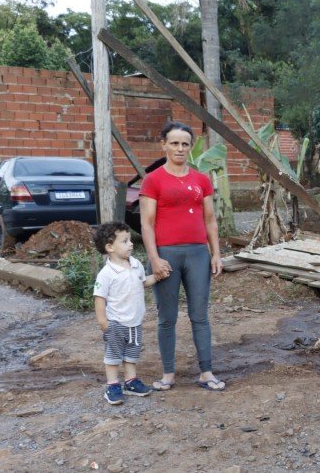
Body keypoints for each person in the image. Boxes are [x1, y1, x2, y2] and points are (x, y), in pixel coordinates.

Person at [139, 120, 225, 392]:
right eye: (174, 143)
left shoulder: (201, 180)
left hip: (198, 254)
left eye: (185, 144)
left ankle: (206, 372)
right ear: (163, 144)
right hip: (167, 255)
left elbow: (210, 221)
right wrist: (154, 259)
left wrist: (216, 254)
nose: (179, 148)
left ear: (190, 147)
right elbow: (147, 224)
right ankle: (168, 374)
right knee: (167, 318)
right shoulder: (153, 180)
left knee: (200, 315)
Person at [93, 221, 160, 405]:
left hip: (135, 321)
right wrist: (103, 322)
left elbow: (142, 282)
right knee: (113, 356)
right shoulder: (106, 274)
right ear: (110, 247)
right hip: (115, 323)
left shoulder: (136, 264)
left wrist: (156, 276)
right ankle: (113, 386)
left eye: (130, 240)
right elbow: (99, 298)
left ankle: (130, 381)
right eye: (124, 241)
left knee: (132, 353)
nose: (131, 244)